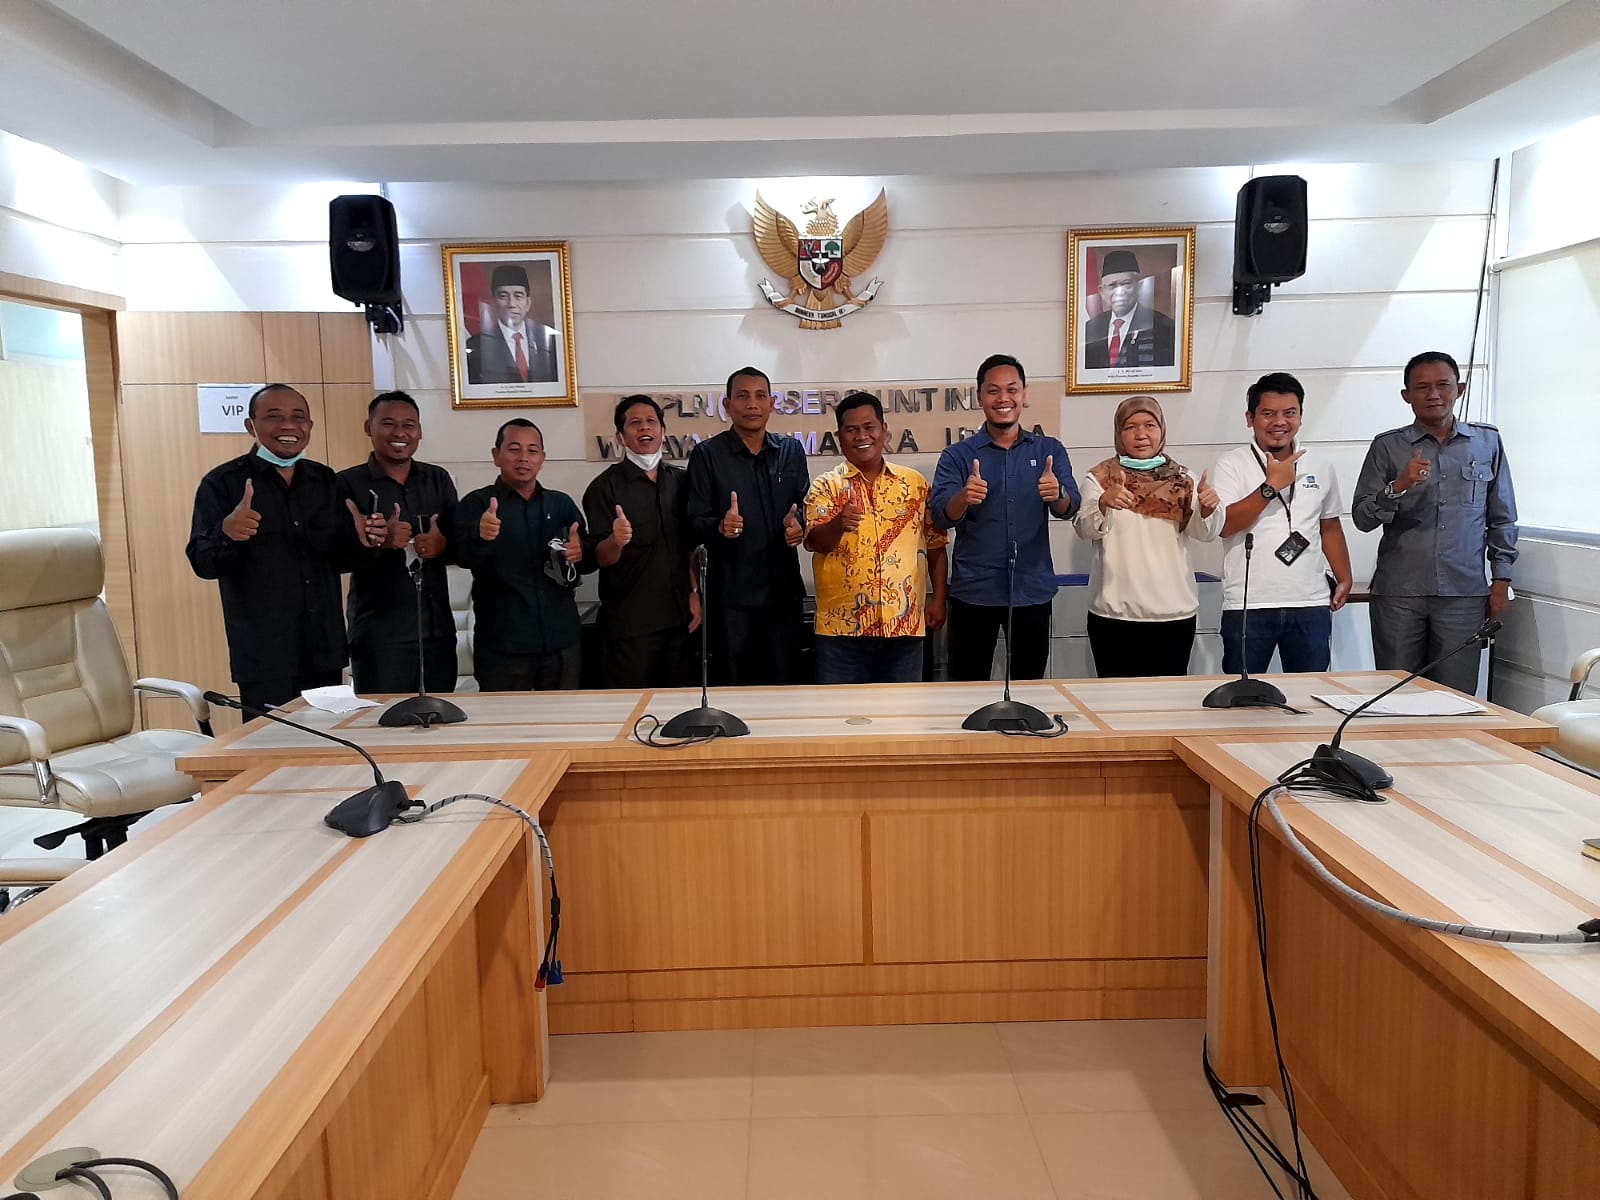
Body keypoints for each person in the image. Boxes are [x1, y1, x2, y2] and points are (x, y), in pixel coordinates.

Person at [186, 383, 382, 713]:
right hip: (265, 655)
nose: (288, 426)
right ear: (251, 426)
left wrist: (365, 541)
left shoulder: (325, 480)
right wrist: (227, 532)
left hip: (324, 649)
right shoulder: (222, 483)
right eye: (274, 416)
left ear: (309, 426)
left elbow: (341, 558)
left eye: (298, 417)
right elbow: (202, 562)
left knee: (329, 740)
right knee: (271, 741)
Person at [1352, 351, 1518, 695]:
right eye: (1422, 387)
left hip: (1463, 593)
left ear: (1460, 389)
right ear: (1406, 395)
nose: (1434, 395)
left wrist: (1501, 580)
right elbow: (1362, 518)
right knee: (1395, 694)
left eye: (1443, 385)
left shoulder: (1486, 442)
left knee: (1455, 697)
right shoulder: (1388, 447)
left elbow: (1502, 517)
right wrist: (1398, 486)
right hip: (1399, 593)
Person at [930, 354, 1078, 681]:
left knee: (1029, 685)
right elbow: (940, 515)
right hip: (974, 592)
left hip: (1031, 589)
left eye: (1012, 389)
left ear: (1024, 394)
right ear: (980, 397)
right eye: (993, 391)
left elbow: (1070, 507)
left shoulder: (1048, 450)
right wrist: (963, 498)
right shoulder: (958, 455)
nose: (1003, 399)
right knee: (967, 685)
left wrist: (1057, 494)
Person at [1211, 373, 1353, 673]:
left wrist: (1344, 577)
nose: (1280, 422)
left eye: (1290, 413)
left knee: (1310, 692)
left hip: (1310, 602)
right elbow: (1225, 525)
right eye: (1268, 414)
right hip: (1248, 605)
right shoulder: (1231, 464)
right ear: (1250, 419)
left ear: (1300, 417)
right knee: (1242, 694)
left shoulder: (1319, 464)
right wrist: (1270, 487)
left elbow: (1329, 525)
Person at [803, 392, 948, 684]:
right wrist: (838, 524)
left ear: (884, 430)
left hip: (904, 628)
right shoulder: (826, 486)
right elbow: (815, 542)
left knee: (902, 711)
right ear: (839, 437)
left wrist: (939, 599)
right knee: (840, 710)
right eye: (852, 430)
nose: (861, 436)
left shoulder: (915, 485)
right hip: (842, 632)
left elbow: (935, 546)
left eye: (869, 427)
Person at [1074, 395, 1223, 677]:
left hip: (1173, 613)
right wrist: (1103, 503)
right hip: (1114, 615)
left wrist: (1207, 509)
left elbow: (1205, 534)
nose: (1141, 434)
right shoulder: (1101, 478)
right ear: (1119, 433)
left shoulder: (1184, 479)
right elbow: (1084, 528)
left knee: (1166, 700)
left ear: (1162, 430)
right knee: (1113, 699)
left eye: (1150, 425)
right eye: (1130, 427)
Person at [685, 367, 809, 685]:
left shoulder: (791, 451)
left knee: (786, 685)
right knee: (734, 687)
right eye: (742, 396)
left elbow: (805, 505)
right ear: (727, 405)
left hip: (783, 595)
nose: (752, 404)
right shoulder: (707, 455)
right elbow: (693, 521)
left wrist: (800, 524)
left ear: (772, 403)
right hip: (731, 599)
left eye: (759, 396)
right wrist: (720, 527)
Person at [334, 391, 459, 696]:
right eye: (388, 424)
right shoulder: (345, 484)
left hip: (436, 632)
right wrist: (378, 542)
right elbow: (336, 558)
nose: (400, 433)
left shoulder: (437, 479)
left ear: (420, 431)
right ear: (369, 427)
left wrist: (442, 546)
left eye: (409, 425)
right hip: (379, 635)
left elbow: (459, 544)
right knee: (383, 719)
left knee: (441, 717)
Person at [453, 419, 591, 691]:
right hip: (503, 645)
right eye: (514, 449)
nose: (524, 458)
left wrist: (580, 552)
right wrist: (481, 536)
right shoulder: (477, 504)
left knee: (565, 716)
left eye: (532, 450)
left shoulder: (560, 504)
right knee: (504, 717)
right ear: (496, 455)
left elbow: (584, 561)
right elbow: (462, 558)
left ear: (542, 459)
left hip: (561, 642)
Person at [583, 395, 701, 688]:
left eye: (651, 422)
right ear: (620, 437)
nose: (644, 428)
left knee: (679, 705)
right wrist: (615, 540)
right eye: (635, 423)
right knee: (631, 707)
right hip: (629, 626)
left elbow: (690, 547)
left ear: (663, 430)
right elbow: (599, 557)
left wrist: (695, 593)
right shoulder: (603, 488)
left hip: (680, 621)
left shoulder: (683, 482)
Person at [1083, 249, 1176, 369]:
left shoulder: (1164, 327)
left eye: (1126, 284)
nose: (1119, 292)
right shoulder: (1090, 329)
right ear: (1101, 291)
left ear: (1139, 286)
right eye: (1112, 286)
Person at [465, 264, 557, 384]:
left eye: (518, 296)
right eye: (503, 296)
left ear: (528, 303)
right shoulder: (477, 344)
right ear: (493, 302)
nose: (511, 304)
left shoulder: (550, 341)